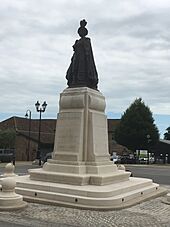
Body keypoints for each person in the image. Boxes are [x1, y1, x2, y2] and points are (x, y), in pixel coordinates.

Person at [66, 19, 98, 90]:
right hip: (76, 57)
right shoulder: (77, 41)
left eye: (83, 31)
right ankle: (74, 81)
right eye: (80, 31)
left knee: (82, 69)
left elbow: (88, 51)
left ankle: (82, 81)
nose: (81, 33)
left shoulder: (87, 40)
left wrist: (86, 54)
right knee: (74, 69)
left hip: (83, 58)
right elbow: (75, 50)